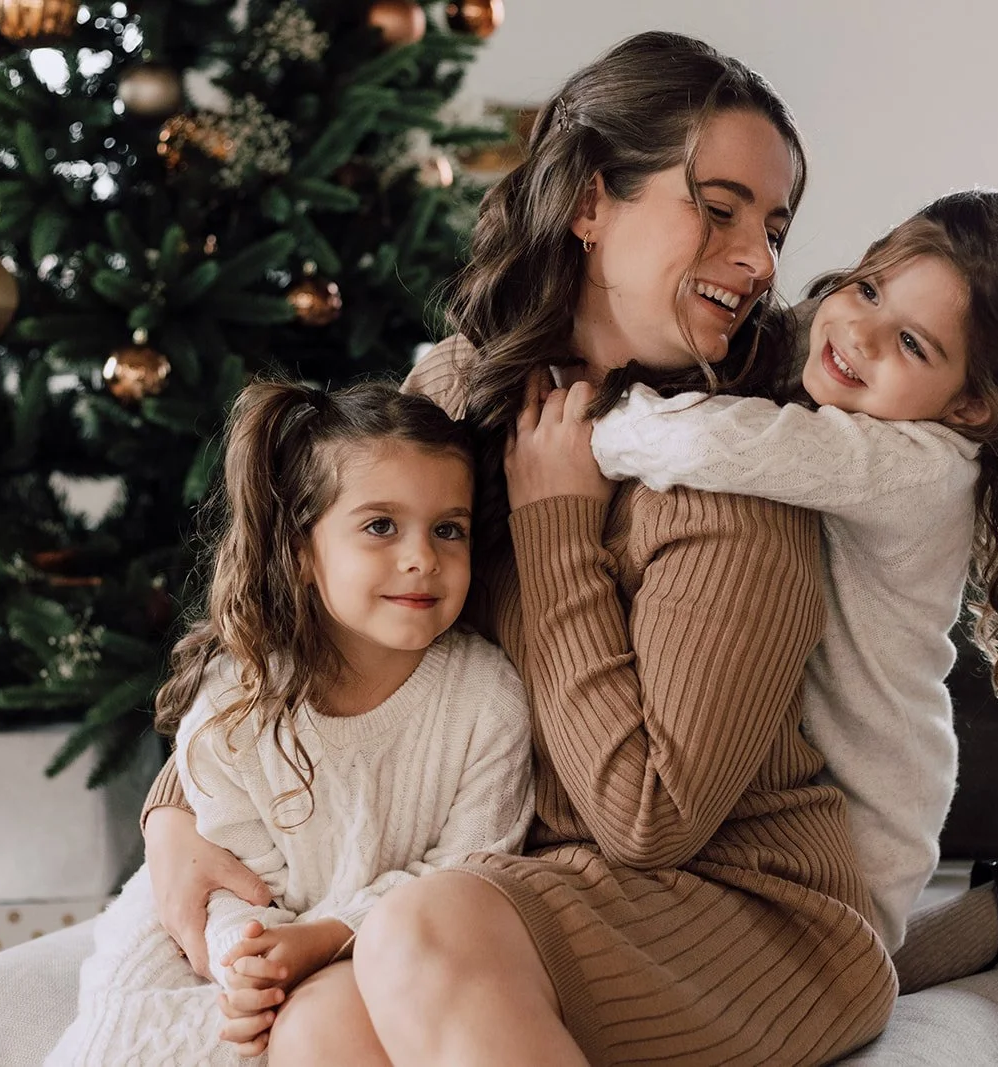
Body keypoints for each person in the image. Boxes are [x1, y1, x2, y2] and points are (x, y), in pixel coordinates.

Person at [146, 31, 900, 1067]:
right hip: (511, 889)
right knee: (314, 1021)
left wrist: (554, 527)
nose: (761, 261)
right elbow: (311, 601)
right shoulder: (459, 388)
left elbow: (651, 819)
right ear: (592, 204)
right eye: (717, 208)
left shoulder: (732, 472)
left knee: (418, 925)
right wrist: (172, 815)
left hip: (745, 912)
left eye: (773, 226)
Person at [587, 184, 998, 1055]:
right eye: (871, 290)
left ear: (971, 406)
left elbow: (705, 441)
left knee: (834, 967)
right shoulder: (847, 397)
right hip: (801, 772)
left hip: (867, 795)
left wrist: (568, 430)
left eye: (913, 343)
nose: (860, 334)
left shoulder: (915, 463)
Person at [46, 381, 533, 1066]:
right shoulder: (233, 705)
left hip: (383, 942)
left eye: (447, 528)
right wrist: (244, 958)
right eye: (380, 526)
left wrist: (325, 935)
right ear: (303, 552)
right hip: (227, 934)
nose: (422, 556)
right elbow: (228, 879)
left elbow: (473, 871)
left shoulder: (486, 699)